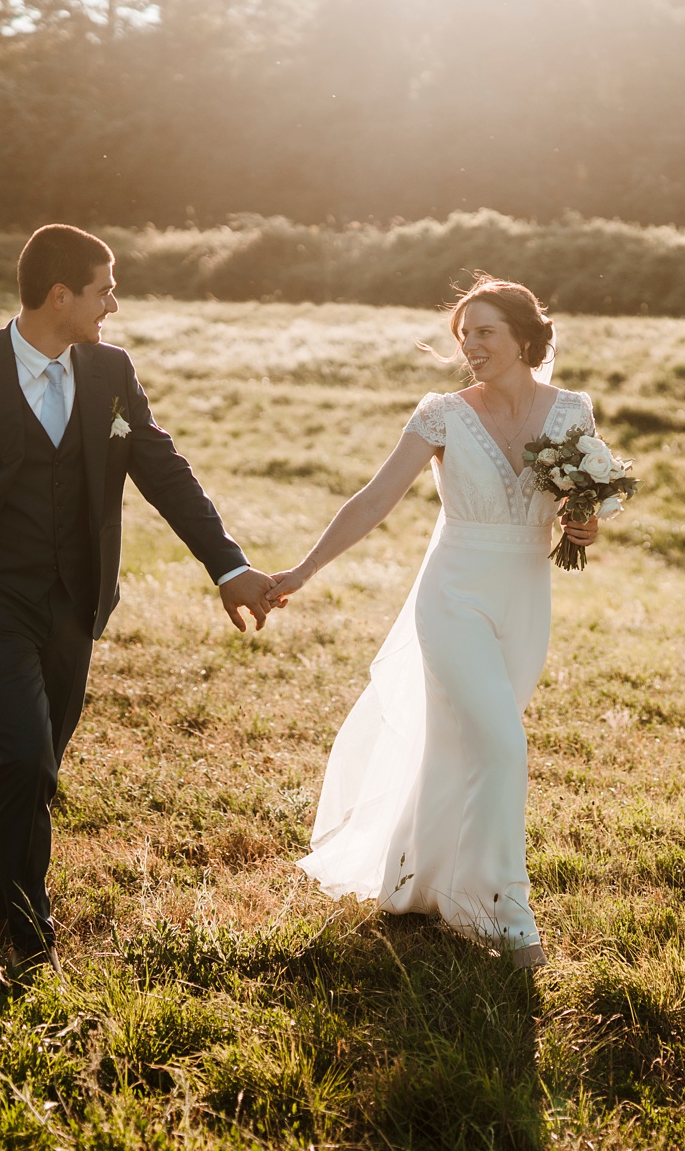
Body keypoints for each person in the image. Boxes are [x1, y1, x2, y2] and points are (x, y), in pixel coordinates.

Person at [0, 223, 278, 970]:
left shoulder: (110, 371)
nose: (112, 304)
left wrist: (228, 566)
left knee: (37, 761)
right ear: (61, 295)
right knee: (24, 760)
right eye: (104, 289)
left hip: (75, 600)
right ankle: (27, 931)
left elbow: (164, 472)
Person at [269, 277, 598, 969]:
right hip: (453, 596)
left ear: (523, 336)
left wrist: (585, 524)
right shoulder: (442, 414)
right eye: (463, 334)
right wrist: (300, 571)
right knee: (506, 746)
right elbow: (373, 500)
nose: (470, 346)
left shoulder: (574, 412)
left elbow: (581, 507)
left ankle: (422, 877)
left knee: (472, 742)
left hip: (525, 599)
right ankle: (508, 916)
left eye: (483, 332)